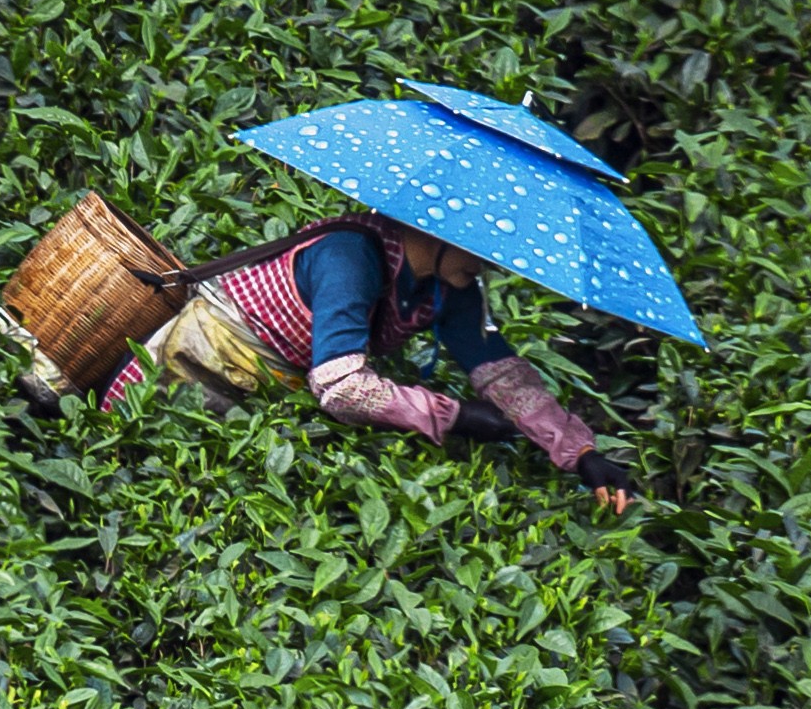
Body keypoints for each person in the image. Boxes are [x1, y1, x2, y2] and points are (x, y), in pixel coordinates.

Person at [93, 211, 639, 513]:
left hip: (269, 394)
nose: (492, 268)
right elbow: (341, 386)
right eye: (485, 252)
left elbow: (498, 369)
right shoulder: (349, 255)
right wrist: (455, 416)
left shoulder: (451, 287)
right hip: (198, 366)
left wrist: (579, 452)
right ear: (443, 233)